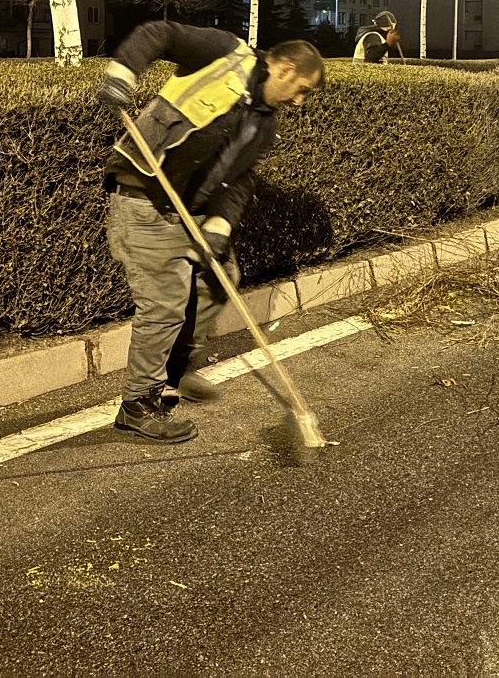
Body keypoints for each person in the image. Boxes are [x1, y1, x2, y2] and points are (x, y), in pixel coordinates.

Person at [96, 22, 327, 444]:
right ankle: (137, 405)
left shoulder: (264, 124)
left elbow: (238, 180)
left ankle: (174, 373)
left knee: (221, 281)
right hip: (145, 194)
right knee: (164, 306)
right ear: (284, 67)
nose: (299, 100)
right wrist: (122, 74)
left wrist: (220, 226)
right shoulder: (225, 53)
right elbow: (158, 34)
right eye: (302, 89)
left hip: (191, 211)